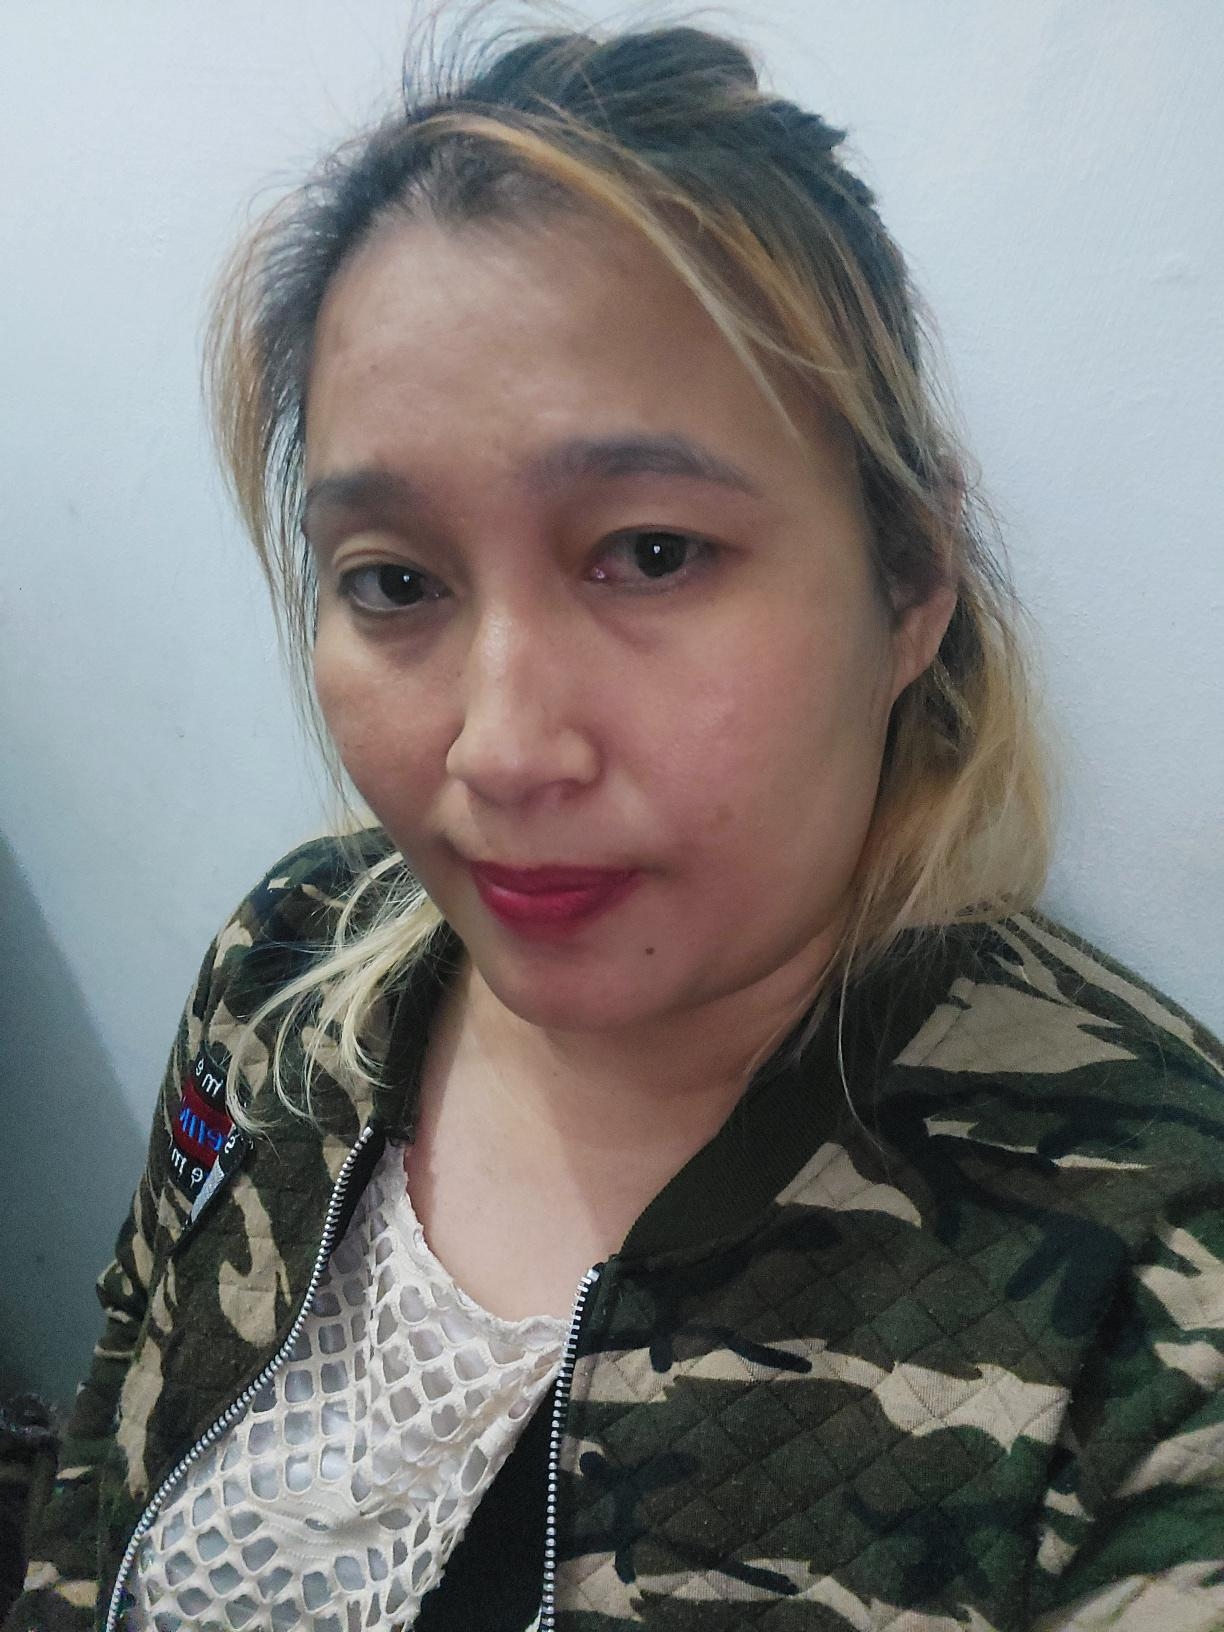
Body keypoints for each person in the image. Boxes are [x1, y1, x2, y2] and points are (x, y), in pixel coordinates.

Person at [8, 21, 1224, 1632]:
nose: (503, 751)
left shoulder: (1159, 1300)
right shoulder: (286, 973)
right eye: (395, 581)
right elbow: (101, 1478)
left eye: (652, 553)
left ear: (912, 581)